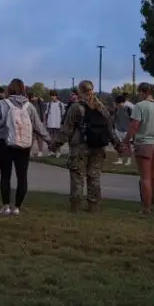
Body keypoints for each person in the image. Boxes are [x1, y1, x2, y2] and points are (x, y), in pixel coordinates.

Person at [0, 78, 50, 216]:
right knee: (22, 176)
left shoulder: (3, 104)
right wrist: (50, 141)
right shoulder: (29, 106)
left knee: (5, 176)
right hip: (24, 145)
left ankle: (6, 206)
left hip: (6, 143)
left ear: (10, 89)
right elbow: (39, 127)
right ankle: (17, 207)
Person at [60, 80, 116, 214]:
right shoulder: (102, 107)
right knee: (94, 177)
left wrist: (55, 144)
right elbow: (110, 129)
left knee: (77, 177)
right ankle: (94, 207)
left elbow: (67, 129)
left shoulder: (76, 107)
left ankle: (76, 207)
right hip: (98, 147)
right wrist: (117, 144)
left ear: (80, 91)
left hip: (80, 147)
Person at [121, 83, 154, 215]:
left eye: (139, 92)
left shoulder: (139, 106)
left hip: (144, 144)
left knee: (145, 178)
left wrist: (126, 141)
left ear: (143, 92)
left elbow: (134, 126)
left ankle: (146, 208)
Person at [112, 94, 135, 167]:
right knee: (119, 145)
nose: (118, 105)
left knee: (128, 145)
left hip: (127, 130)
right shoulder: (116, 108)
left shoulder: (129, 108)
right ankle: (120, 160)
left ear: (123, 102)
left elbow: (133, 120)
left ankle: (129, 160)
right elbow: (114, 118)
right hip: (118, 129)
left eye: (119, 103)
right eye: (117, 103)